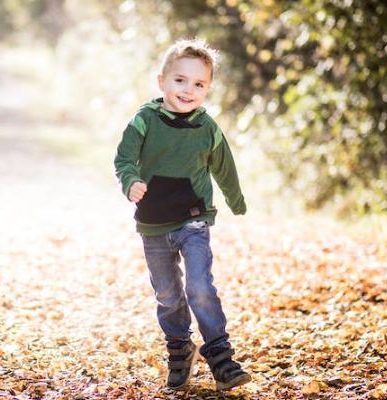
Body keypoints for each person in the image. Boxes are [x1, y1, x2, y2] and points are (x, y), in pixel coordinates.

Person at [114, 38, 251, 391]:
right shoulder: (145, 120)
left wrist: (235, 199)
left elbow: (224, 167)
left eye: (198, 84)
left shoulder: (207, 128)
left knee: (200, 287)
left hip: (194, 219)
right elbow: (125, 158)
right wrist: (131, 181)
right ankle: (179, 349)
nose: (188, 90)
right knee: (168, 295)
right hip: (154, 222)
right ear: (162, 81)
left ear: (207, 89)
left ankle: (221, 357)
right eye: (180, 80)